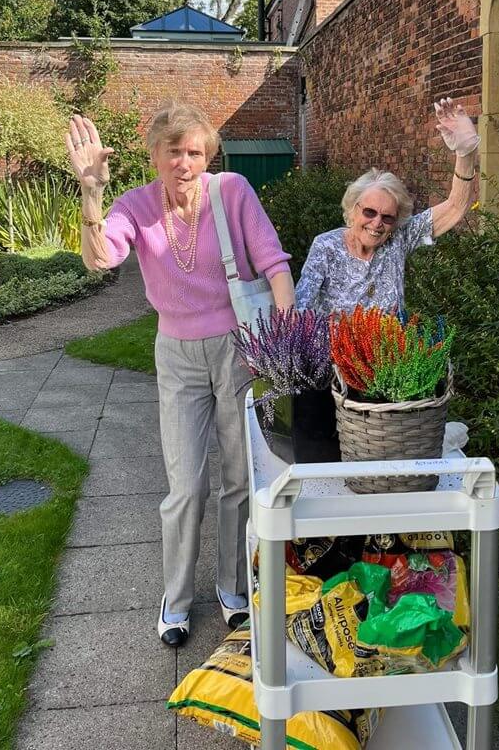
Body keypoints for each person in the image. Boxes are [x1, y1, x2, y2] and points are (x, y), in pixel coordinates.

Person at [65, 102, 295, 648]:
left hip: (239, 348)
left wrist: (283, 342)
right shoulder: (136, 205)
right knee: (186, 485)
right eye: (174, 152)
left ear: (207, 155)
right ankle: (176, 599)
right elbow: (100, 258)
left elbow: (274, 263)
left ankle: (233, 588)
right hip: (176, 355)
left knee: (240, 477)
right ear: (155, 155)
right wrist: (91, 193)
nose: (185, 163)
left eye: (195, 152)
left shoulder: (232, 191)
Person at [292, 97, 479, 459]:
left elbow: (456, 207)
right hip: (332, 372)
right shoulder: (326, 246)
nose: (377, 223)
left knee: (384, 462)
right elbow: (302, 310)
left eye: (388, 217)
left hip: (387, 370)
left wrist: (466, 153)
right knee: (322, 462)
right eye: (369, 212)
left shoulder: (398, 240)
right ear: (353, 210)